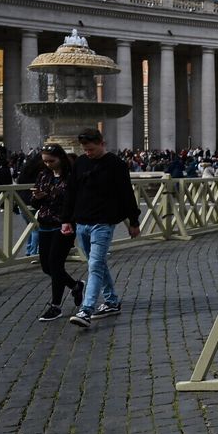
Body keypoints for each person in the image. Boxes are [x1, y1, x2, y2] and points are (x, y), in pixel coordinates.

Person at [60, 128, 141, 329]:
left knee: (95, 265)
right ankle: (111, 301)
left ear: (102, 143)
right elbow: (71, 192)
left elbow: (126, 194)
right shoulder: (80, 163)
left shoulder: (116, 164)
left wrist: (134, 221)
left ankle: (86, 310)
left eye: (91, 149)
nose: (88, 153)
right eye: (85, 150)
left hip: (103, 224)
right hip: (82, 223)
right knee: (97, 263)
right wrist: (66, 219)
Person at [30, 144, 85, 322]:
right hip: (45, 223)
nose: (48, 164)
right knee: (46, 266)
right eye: (45, 161)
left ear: (60, 158)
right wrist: (36, 198)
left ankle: (55, 306)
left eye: (51, 161)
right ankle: (75, 286)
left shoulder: (71, 176)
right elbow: (35, 204)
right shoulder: (43, 175)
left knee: (55, 264)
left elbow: (74, 200)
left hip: (64, 224)